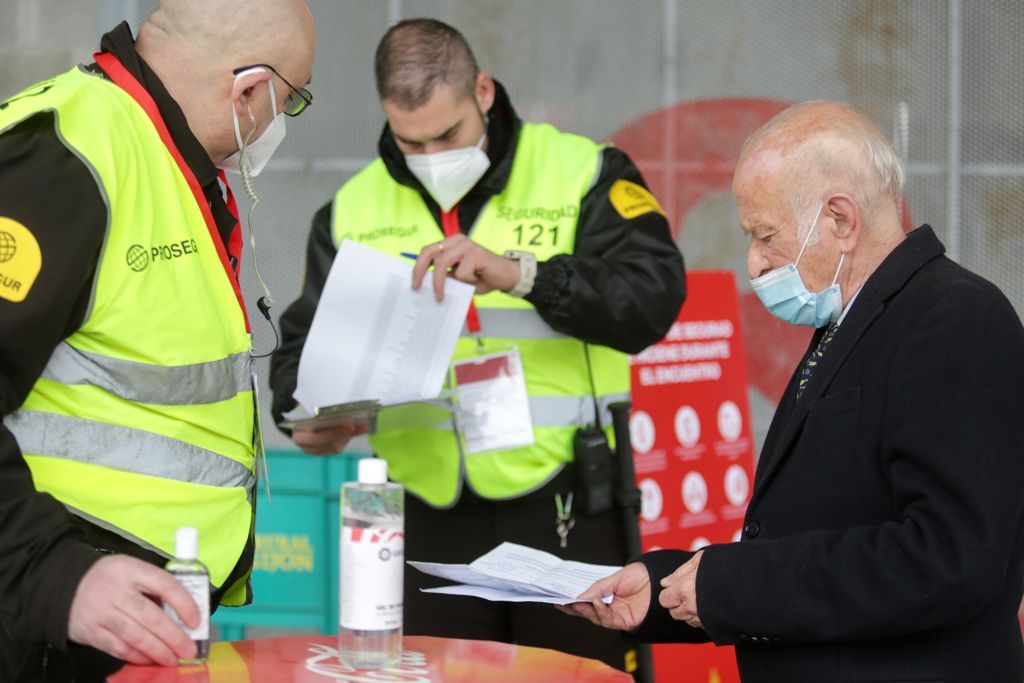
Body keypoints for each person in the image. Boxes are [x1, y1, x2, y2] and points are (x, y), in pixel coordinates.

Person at [269, 18, 685, 672]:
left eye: (448, 134)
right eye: (411, 142)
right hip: (423, 511)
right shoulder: (349, 210)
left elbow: (654, 295)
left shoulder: (582, 171)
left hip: (564, 496)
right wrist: (313, 419)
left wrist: (524, 275)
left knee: (571, 675)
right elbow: (297, 365)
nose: (432, 155)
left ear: (483, 92)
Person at [563, 100, 1024, 681]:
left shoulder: (954, 319)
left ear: (840, 219)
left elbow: (947, 558)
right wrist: (661, 592)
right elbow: (815, 528)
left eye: (765, 235)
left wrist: (730, 583)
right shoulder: (851, 320)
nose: (753, 263)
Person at [0, 1, 315, 680]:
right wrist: (53, 574)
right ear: (250, 89)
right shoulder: (65, 155)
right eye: (293, 100)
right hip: (47, 620)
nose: (278, 123)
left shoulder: (162, 157)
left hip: (122, 614)